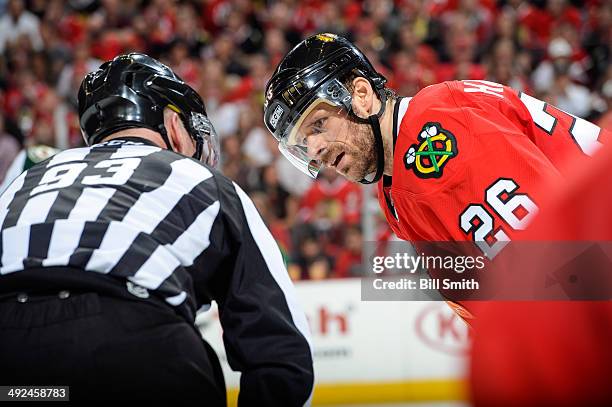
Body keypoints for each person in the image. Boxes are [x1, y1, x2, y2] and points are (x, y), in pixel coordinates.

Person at [0, 53, 313, 406]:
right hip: (134, 345)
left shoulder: (28, 178)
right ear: (174, 125)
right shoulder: (202, 180)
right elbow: (282, 352)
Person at [263, 33, 611, 320]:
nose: (317, 149)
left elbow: (565, 266)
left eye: (319, 125)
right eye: (304, 143)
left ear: (361, 95)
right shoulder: (395, 180)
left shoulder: (436, 139)